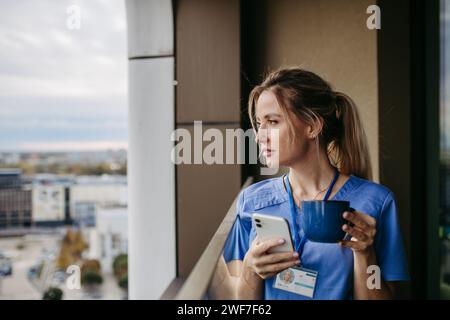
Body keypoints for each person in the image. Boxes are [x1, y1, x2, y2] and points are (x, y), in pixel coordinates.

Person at [221, 67, 409, 300]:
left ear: (312, 126)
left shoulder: (376, 202)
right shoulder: (251, 201)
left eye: (273, 121)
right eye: (260, 124)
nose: (259, 136)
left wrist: (365, 253)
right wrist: (251, 270)